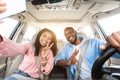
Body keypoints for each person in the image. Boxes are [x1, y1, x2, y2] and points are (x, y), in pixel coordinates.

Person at [54, 27, 120, 80]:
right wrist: (67, 62)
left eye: (70, 32)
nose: (68, 35)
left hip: (99, 77)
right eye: (66, 35)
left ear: (75, 32)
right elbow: (56, 60)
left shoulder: (93, 42)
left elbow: (114, 52)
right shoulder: (66, 48)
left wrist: (116, 45)